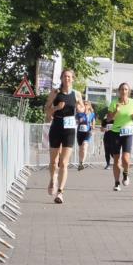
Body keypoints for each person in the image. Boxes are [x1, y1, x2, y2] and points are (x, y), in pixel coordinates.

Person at [43, 69, 78, 204]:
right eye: (65, 76)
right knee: (53, 161)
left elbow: (81, 109)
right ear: (61, 78)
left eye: (69, 77)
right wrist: (56, 108)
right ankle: (53, 179)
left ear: (73, 79)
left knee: (64, 162)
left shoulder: (77, 94)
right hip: (56, 127)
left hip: (69, 130)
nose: (67, 79)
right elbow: (47, 110)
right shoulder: (55, 93)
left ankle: (60, 192)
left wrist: (81, 109)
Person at [108, 83, 133, 191]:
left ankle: (126, 174)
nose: (123, 91)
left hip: (127, 132)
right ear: (119, 91)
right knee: (116, 159)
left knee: (126, 159)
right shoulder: (114, 103)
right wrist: (115, 112)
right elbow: (108, 119)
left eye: (126, 89)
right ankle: (117, 183)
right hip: (116, 132)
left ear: (128, 91)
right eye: (122, 89)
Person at [75, 100, 96, 170]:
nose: (85, 105)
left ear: (89, 106)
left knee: (84, 146)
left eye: (86, 104)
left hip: (88, 132)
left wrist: (93, 126)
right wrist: (78, 121)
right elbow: (75, 121)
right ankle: (80, 162)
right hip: (80, 132)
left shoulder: (92, 114)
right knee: (81, 148)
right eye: (84, 104)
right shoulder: (79, 114)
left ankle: (82, 163)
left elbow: (93, 122)